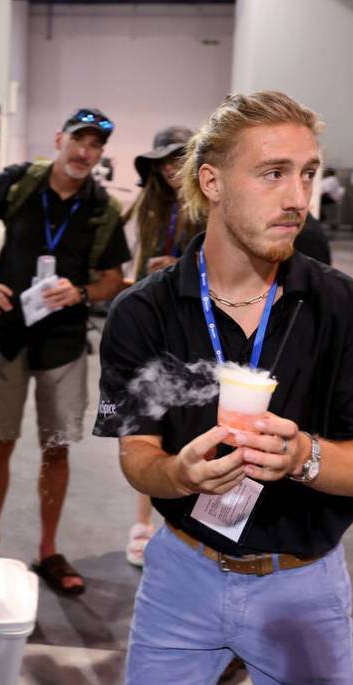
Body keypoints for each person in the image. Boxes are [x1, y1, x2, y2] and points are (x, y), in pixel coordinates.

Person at [94, 91, 353, 685]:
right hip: (181, 573)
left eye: (306, 173)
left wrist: (305, 458)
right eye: (272, 173)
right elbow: (135, 455)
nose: (296, 196)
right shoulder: (144, 312)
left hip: (304, 583)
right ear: (210, 181)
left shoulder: (344, 308)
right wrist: (176, 471)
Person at [0, 108, 130, 594]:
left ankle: (47, 550)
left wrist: (83, 293)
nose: (84, 153)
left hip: (64, 343)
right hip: (7, 332)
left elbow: (114, 276)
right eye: (78, 141)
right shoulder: (19, 184)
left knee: (57, 447)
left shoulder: (102, 209)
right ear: (59, 139)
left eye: (95, 146)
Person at [123, 125, 205, 567]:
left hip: (196, 328)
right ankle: (143, 522)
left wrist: (178, 265)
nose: (171, 169)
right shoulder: (149, 206)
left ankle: (185, 526)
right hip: (156, 324)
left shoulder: (210, 206)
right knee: (147, 428)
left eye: (179, 159)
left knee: (191, 427)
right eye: (164, 161)